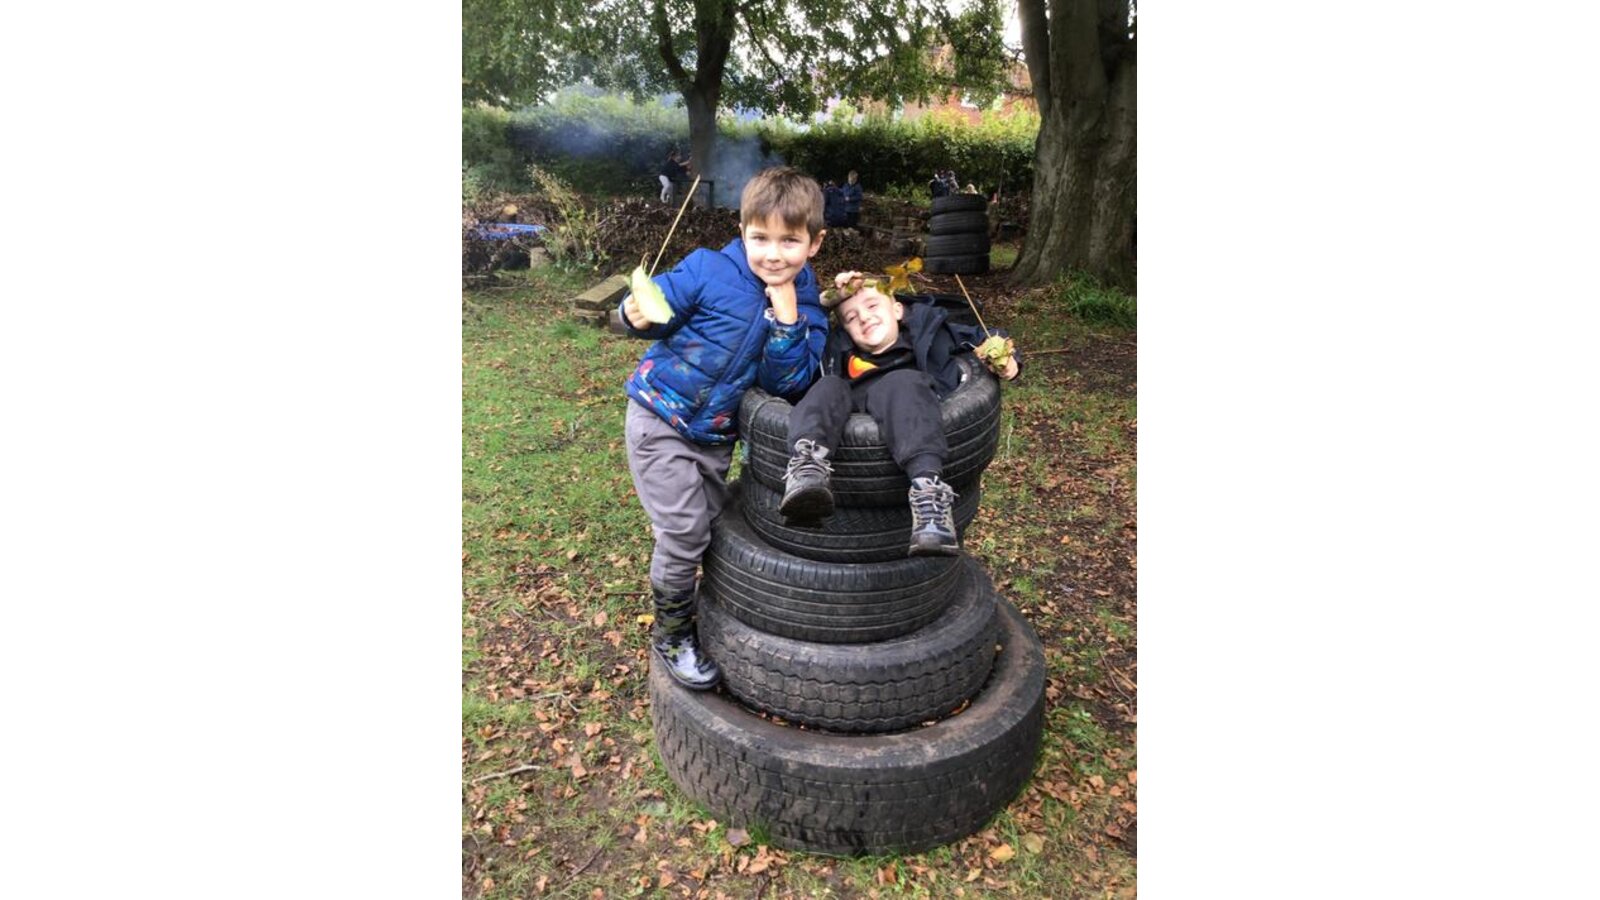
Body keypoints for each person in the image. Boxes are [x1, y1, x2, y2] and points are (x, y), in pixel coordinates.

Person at [619, 166, 830, 690]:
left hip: (715, 438)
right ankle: (672, 634)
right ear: (742, 232)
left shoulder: (808, 307)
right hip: (659, 417)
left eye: (789, 241)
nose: (773, 254)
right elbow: (657, 307)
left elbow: (788, 383)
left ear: (815, 243)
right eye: (760, 238)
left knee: (708, 524)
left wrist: (787, 320)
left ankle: (693, 580)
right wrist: (631, 312)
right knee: (685, 532)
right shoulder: (707, 269)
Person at [780, 272, 1020, 555]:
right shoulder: (836, 352)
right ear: (844, 329)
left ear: (897, 309)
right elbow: (802, 338)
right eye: (851, 318)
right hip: (853, 407)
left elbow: (986, 337)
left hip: (911, 408)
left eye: (872, 305)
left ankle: (928, 497)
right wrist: (823, 302)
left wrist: (1006, 359)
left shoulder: (932, 332)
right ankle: (807, 471)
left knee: (901, 382)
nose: (864, 318)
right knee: (828, 386)